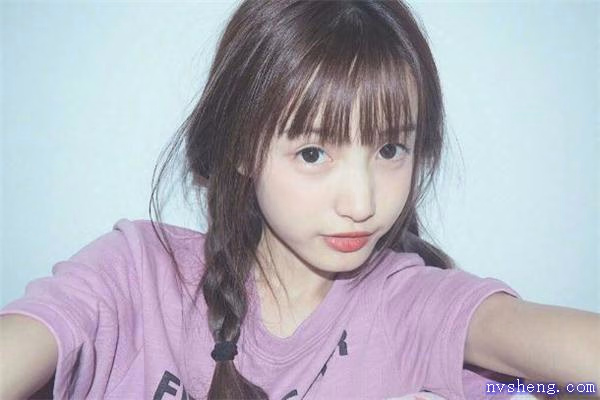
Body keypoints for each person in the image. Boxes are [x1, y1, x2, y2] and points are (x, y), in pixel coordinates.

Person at [0, 1, 598, 399]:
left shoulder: (410, 305)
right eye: (314, 153)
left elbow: (573, 379)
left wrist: (527, 393)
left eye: (391, 149)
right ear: (241, 147)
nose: (362, 202)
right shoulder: (136, 275)